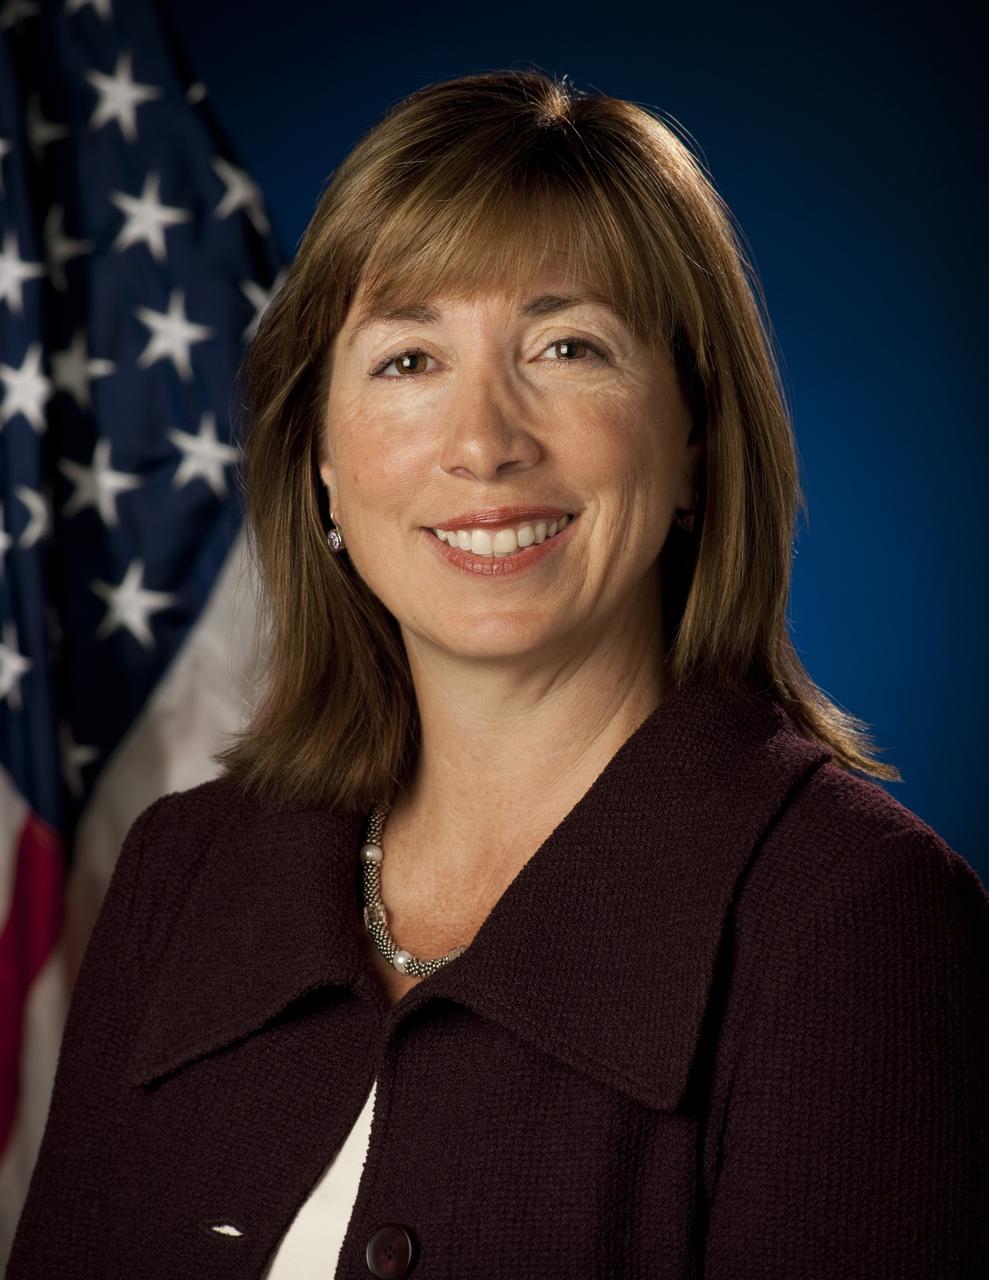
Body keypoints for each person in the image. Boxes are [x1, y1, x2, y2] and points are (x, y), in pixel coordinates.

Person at [7, 68, 988, 1280]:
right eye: (408, 360)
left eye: (566, 346)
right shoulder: (184, 866)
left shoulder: (852, 916)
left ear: (691, 440)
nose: (483, 441)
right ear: (318, 458)